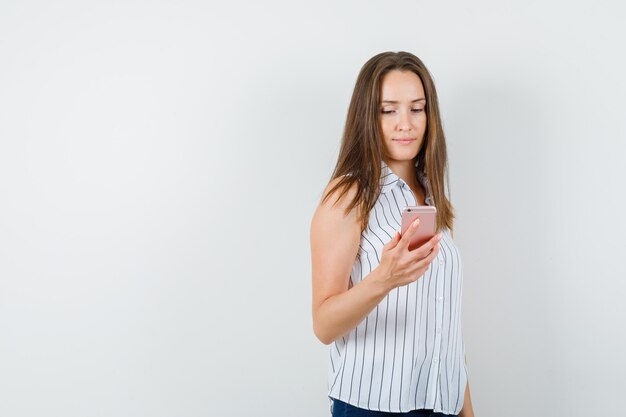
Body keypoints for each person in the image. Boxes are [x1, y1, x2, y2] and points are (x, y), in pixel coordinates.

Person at [310, 51, 475, 417]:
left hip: (442, 405)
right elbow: (323, 324)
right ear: (368, 117)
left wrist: (467, 411)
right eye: (389, 110)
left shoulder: (430, 195)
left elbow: (444, 327)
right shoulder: (349, 195)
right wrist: (384, 279)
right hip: (373, 407)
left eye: (417, 109)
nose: (406, 123)